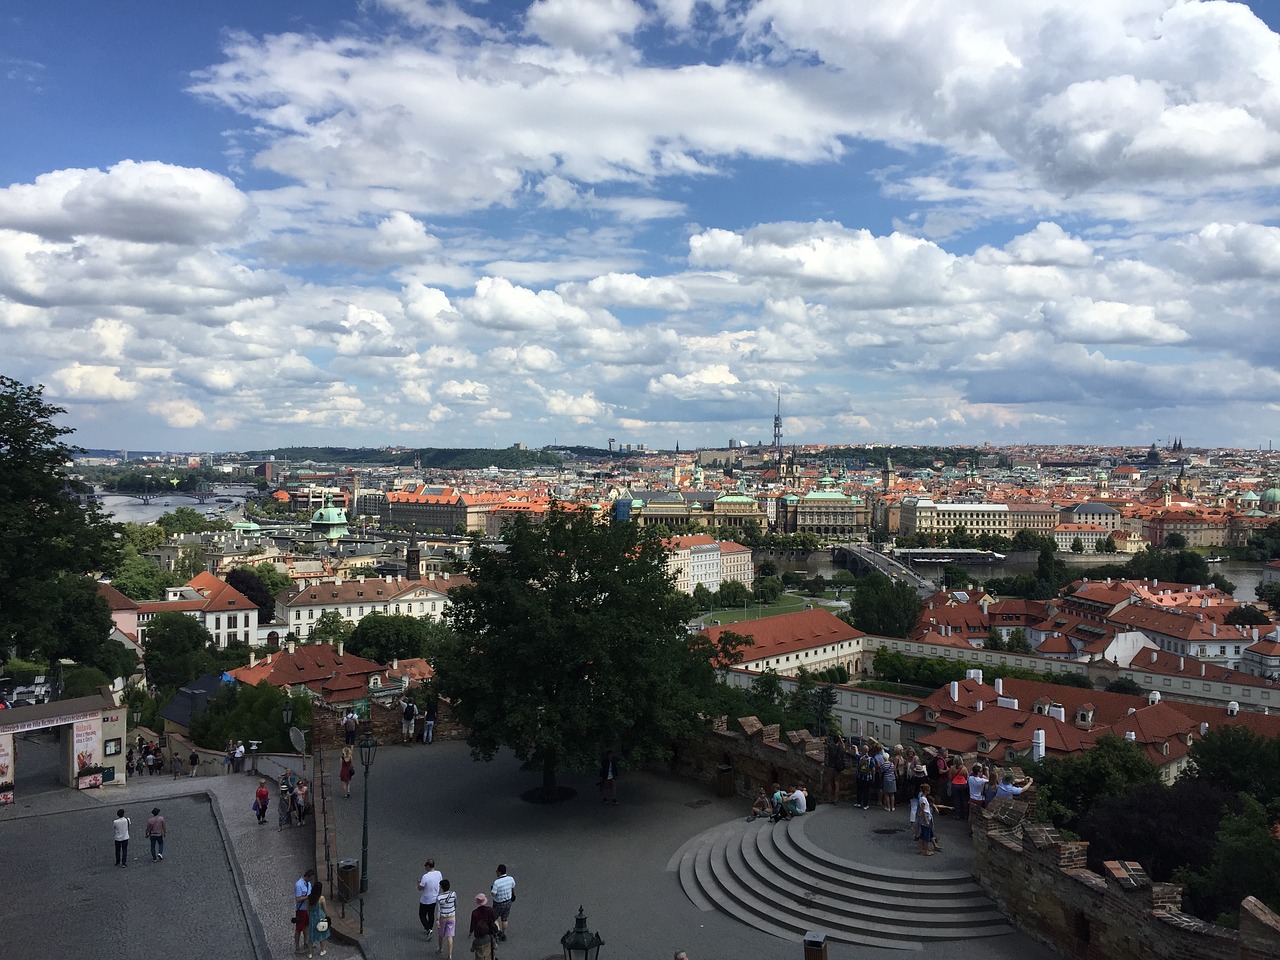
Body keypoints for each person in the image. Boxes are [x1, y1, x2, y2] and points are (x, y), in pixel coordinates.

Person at [490, 864, 515, 942]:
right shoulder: (511, 879)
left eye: (497, 871)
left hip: (498, 903)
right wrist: (513, 895)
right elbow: (513, 888)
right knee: (504, 918)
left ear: (500, 872)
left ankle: (498, 932)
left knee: (492, 918)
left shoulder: (497, 882)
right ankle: (504, 934)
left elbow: (493, 894)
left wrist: (492, 889)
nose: (496, 872)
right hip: (508, 902)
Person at [418, 858, 443, 934]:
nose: (425, 867)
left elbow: (420, 888)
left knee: (422, 915)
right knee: (431, 914)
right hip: (434, 898)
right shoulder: (439, 873)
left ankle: (428, 928)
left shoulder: (425, 876)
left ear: (428, 866)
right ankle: (430, 927)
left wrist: (418, 884)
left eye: (426, 866)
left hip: (425, 900)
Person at [306, 881, 330, 957]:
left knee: (311, 936)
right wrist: (327, 917)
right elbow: (325, 909)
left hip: (312, 918)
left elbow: (308, 909)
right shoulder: (321, 898)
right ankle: (322, 950)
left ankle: (310, 953)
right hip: (320, 917)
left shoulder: (309, 898)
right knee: (322, 934)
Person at [294, 869, 315, 954]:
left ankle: (306, 942)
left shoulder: (308, 884)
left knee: (306, 926)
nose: (311, 880)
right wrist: (307, 897)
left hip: (307, 909)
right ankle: (297, 946)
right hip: (301, 910)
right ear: (308, 876)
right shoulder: (298, 885)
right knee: (298, 929)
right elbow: (298, 898)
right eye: (311, 878)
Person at [469, 893, 496, 960]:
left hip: (479, 932)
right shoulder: (490, 910)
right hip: (489, 930)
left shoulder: (475, 913)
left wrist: (471, 931)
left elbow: (472, 923)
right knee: (490, 944)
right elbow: (493, 918)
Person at [436, 878, 457, 958]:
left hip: (443, 918)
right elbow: (456, 904)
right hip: (452, 917)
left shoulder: (439, 897)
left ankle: (440, 949)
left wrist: (437, 920)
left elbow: (438, 910)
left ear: (442, 887)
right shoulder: (453, 894)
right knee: (450, 936)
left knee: (441, 934)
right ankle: (450, 955)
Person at [917, 784, 937, 856]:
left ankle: (921, 849)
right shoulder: (923, 799)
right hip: (926, 817)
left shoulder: (924, 798)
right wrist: (926, 820)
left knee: (923, 835)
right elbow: (923, 810)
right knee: (926, 835)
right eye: (928, 790)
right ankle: (925, 850)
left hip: (926, 816)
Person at [855, 744, 876, 810]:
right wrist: (873, 776)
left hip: (860, 776)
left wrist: (856, 748)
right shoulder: (870, 759)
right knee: (866, 791)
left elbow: (856, 754)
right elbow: (873, 769)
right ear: (868, 751)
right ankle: (865, 805)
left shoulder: (860, 758)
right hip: (867, 777)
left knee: (859, 790)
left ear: (862, 750)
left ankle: (858, 803)